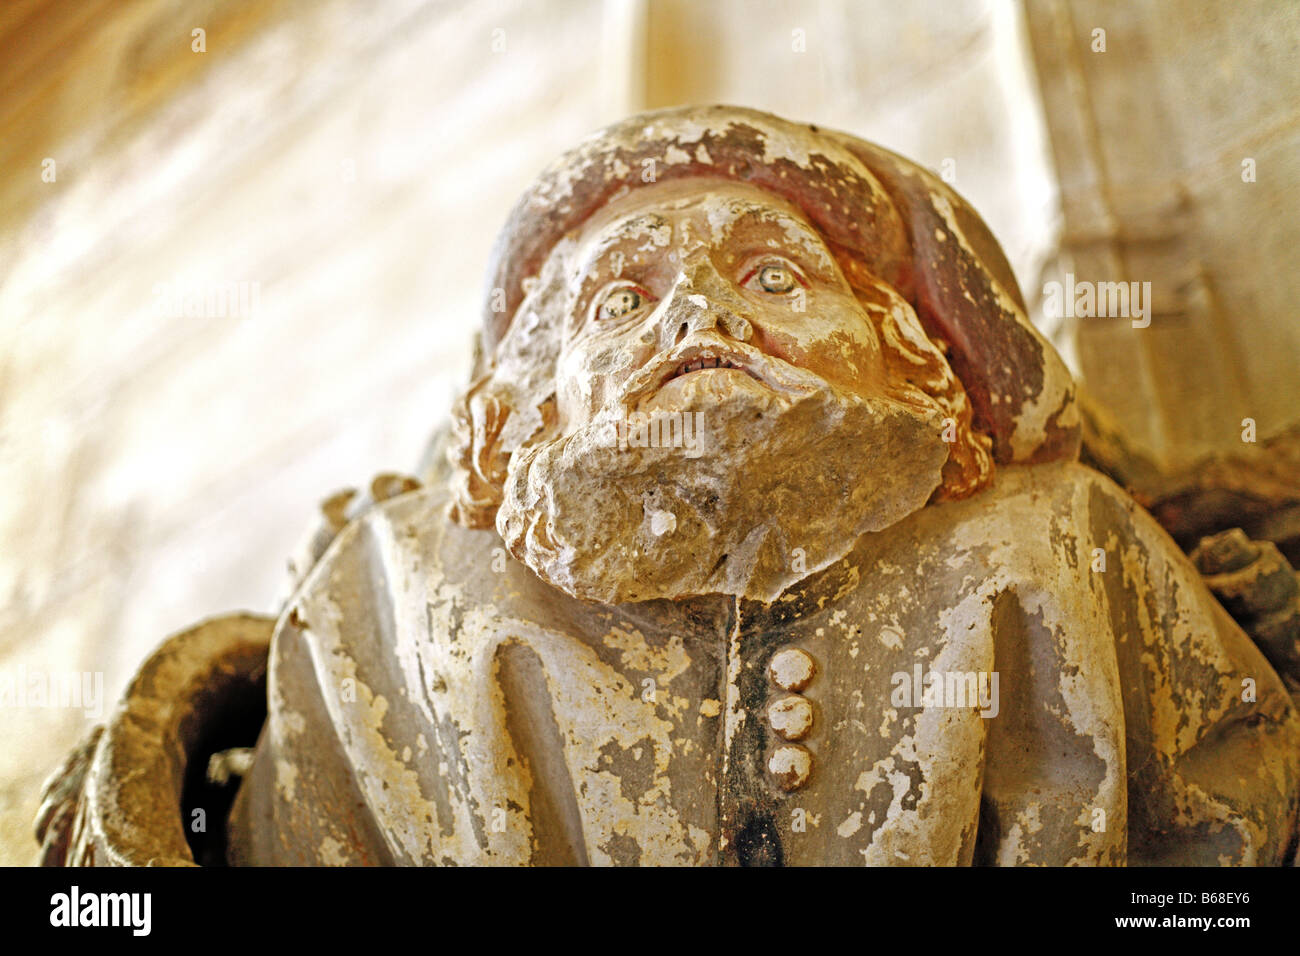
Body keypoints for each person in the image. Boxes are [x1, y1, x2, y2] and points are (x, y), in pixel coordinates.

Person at [40, 106, 1300, 866]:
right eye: (622, 298)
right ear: (532, 398)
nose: (697, 309)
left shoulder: (1056, 547)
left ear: (904, 354)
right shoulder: (392, 604)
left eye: (770, 276)